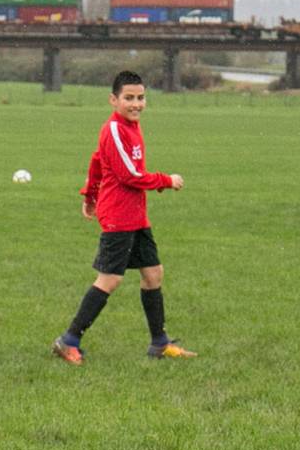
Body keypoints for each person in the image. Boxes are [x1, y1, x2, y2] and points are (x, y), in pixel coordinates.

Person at [52, 70, 195, 365]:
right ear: (113, 100)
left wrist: (90, 195)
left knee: (153, 274)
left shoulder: (132, 126)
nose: (136, 104)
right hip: (118, 215)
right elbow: (128, 175)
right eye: (128, 98)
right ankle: (69, 340)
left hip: (136, 215)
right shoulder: (115, 129)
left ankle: (159, 343)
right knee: (110, 279)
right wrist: (166, 180)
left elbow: (96, 160)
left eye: (141, 98)